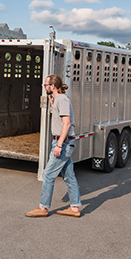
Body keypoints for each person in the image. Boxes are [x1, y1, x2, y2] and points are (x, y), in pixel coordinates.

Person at [25, 74, 82, 218]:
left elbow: (67, 123)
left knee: (48, 174)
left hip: (63, 143)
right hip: (65, 142)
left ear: (53, 86)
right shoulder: (58, 100)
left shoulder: (62, 99)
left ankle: (43, 208)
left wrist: (59, 145)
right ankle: (74, 208)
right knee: (69, 176)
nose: (45, 87)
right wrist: (53, 106)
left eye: (46, 85)